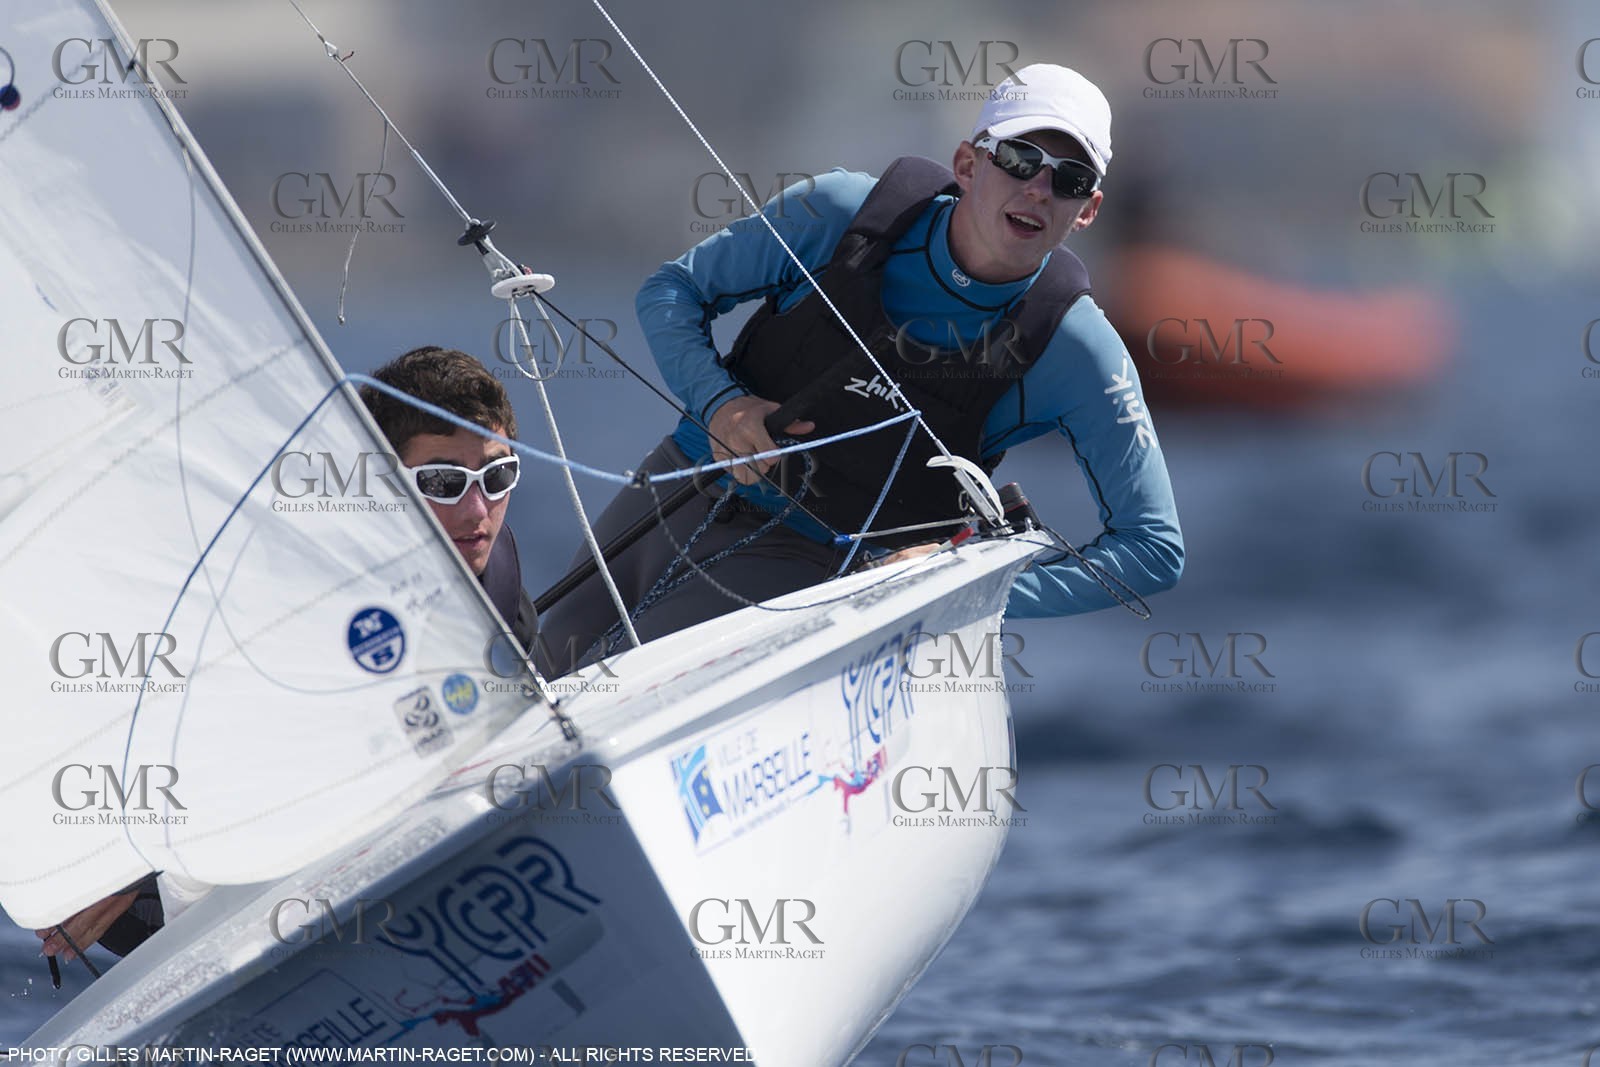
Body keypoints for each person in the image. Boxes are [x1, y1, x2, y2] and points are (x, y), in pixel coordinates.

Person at [538, 64, 1183, 664]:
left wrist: (966, 587)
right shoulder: (840, 213)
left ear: (1088, 209)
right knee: (529, 683)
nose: (1039, 189)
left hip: (815, 566)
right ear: (967, 163)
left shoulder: (1078, 349)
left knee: (606, 694)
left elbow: (1154, 548)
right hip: (679, 486)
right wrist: (721, 406)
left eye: (1068, 180)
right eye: (1019, 160)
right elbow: (671, 292)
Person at [36, 346, 535, 968]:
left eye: (497, 477)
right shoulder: (294, 597)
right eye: (441, 482)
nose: (477, 510)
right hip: (179, 880)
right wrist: (120, 865)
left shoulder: (496, 583)